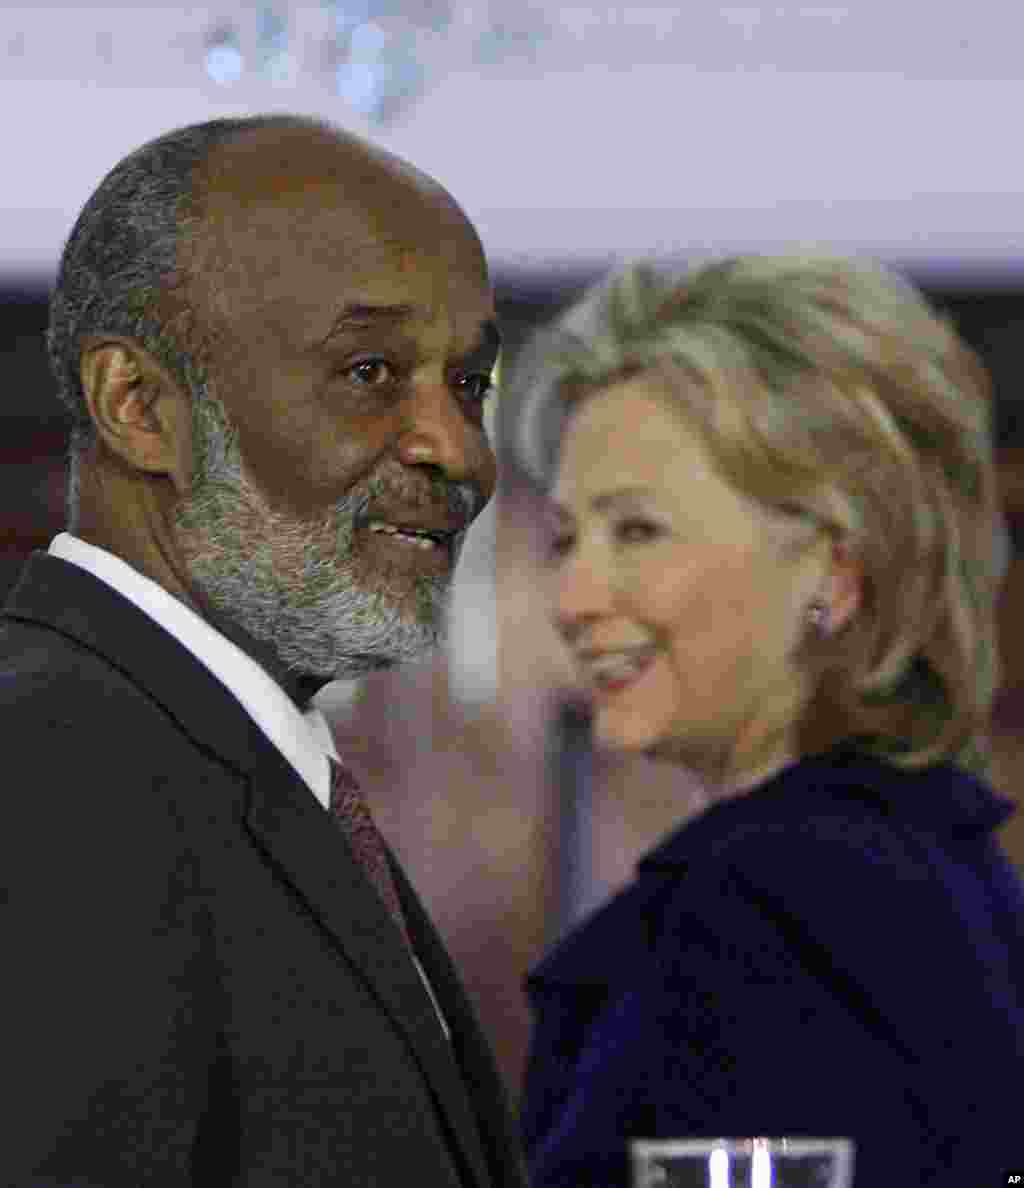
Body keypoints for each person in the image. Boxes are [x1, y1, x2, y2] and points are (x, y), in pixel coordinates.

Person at [1, 114, 525, 1188]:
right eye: (371, 371)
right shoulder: (54, 769)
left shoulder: (204, 756)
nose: (458, 451)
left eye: (467, 384)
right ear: (141, 409)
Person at [508, 256, 1024, 1186]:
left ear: (833, 565)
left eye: (637, 531)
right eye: (565, 540)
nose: (574, 596)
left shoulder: (774, 906)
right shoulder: (924, 864)